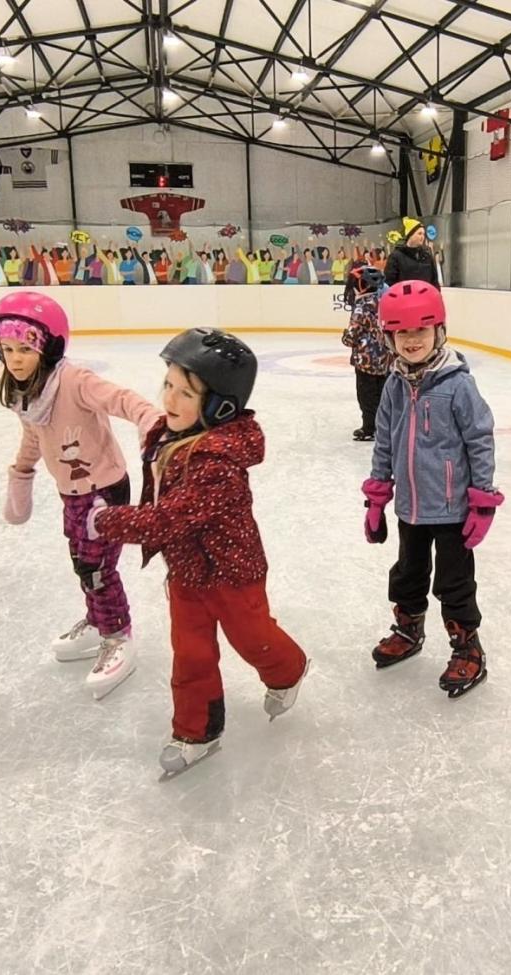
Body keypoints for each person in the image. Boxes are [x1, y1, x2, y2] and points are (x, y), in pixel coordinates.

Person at [88, 328, 310, 776]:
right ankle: (196, 731)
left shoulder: (217, 466)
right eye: (168, 384)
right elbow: (149, 437)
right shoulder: (173, 434)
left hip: (232, 573)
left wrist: (106, 521)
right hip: (188, 572)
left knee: (254, 640)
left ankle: (289, 669)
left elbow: (166, 519)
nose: (169, 398)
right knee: (190, 654)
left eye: (185, 393)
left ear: (219, 407)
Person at [0, 292, 161, 699]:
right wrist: (22, 470)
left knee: (98, 568)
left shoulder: (74, 381)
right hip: (71, 493)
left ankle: (117, 634)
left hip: (104, 490)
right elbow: (34, 436)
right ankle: (98, 619)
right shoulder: (26, 392)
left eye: (25, 349)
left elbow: (123, 399)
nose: (15, 359)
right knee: (82, 563)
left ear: (48, 347)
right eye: (7, 349)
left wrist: (150, 421)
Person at [361, 280, 503, 698]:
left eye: (420, 330)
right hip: (410, 505)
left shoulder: (457, 385)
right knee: (408, 572)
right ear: (389, 336)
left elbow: (480, 439)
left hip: (452, 506)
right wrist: (377, 496)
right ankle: (409, 628)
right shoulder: (394, 385)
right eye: (402, 332)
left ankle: (467, 646)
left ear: (439, 330)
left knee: (454, 582)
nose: (411, 340)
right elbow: (385, 441)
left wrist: (482, 501)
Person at [341, 265, 391, 442]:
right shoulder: (385, 302)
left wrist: (345, 336)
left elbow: (351, 337)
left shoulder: (361, 307)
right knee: (382, 395)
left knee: (366, 396)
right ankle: (384, 427)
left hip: (365, 362)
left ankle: (369, 428)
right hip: (384, 360)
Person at [383, 218, 439, 289]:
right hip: (404, 295)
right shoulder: (396, 256)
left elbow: (434, 281)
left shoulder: (427, 256)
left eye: (423, 234)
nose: (422, 237)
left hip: (425, 295)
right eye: (419, 233)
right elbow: (389, 282)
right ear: (410, 235)